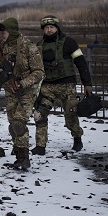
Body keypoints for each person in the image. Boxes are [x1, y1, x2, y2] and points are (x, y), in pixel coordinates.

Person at [32, 15, 93, 155]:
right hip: (47, 87)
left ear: (57, 28)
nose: (49, 30)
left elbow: (81, 63)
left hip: (67, 86)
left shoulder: (69, 42)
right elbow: (34, 67)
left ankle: (77, 138)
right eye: (46, 28)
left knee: (71, 116)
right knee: (39, 114)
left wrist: (87, 83)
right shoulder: (39, 46)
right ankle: (40, 146)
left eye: (52, 27)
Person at [0, 17, 44, 170]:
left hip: (27, 90)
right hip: (10, 90)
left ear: (12, 31)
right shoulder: (0, 48)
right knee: (12, 124)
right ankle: (19, 151)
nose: (1, 34)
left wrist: (24, 83)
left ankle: (23, 158)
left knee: (19, 123)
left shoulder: (29, 47)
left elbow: (39, 72)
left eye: (4, 31)